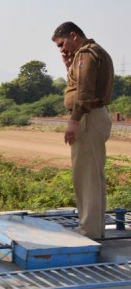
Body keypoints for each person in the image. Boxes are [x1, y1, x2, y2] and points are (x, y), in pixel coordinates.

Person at [51, 22, 114, 239]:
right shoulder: (92, 52)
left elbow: (84, 93)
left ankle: (89, 231)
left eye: (62, 44)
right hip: (94, 116)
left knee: (86, 177)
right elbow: (80, 84)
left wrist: (74, 121)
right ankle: (93, 228)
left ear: (73, 36)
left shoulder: (86, 55)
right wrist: (69, 63)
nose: (62, 50)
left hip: (88, 117)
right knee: (92, 175)